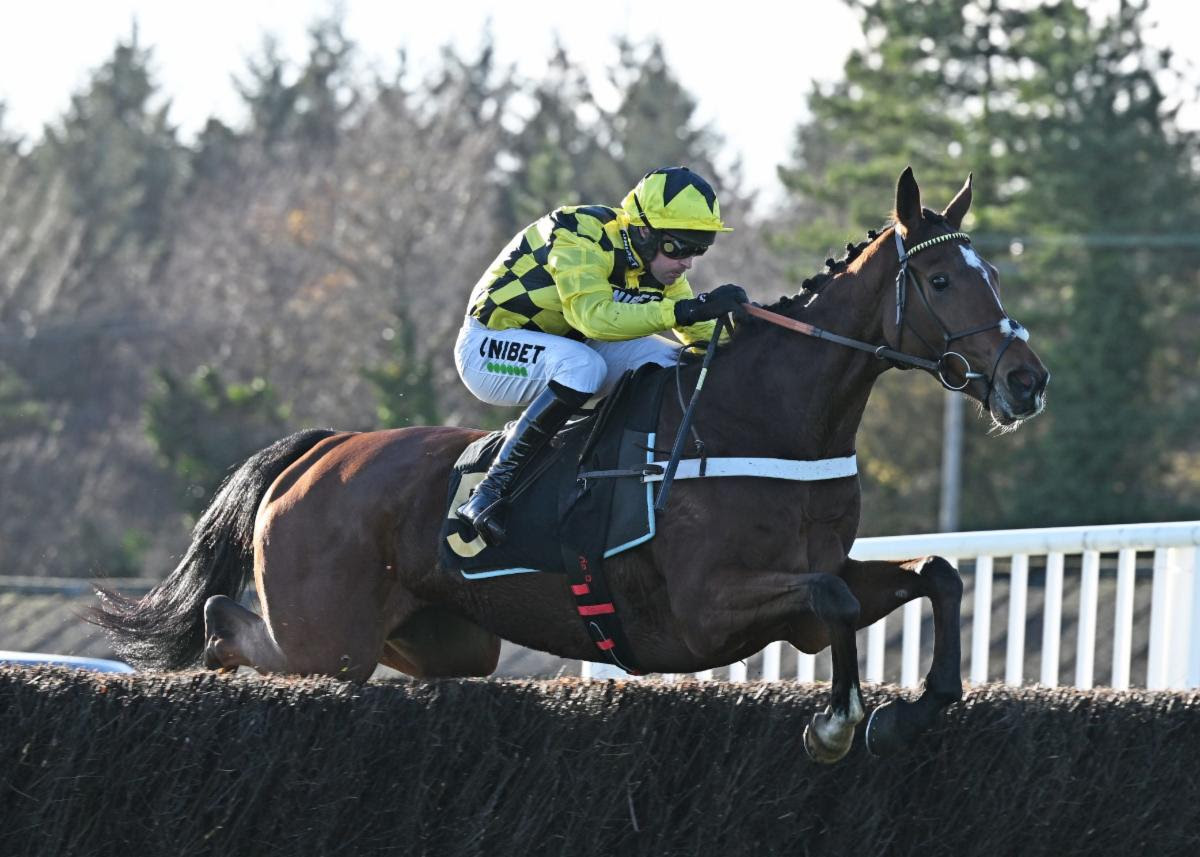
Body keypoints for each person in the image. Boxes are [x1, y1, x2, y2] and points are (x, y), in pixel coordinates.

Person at [454, 166, 748, 545]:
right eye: (680, 246)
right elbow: (591, 318)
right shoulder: (578, 232)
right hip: (489, 347)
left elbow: (702, 336)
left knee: (675, 365)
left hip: (570, 344)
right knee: (583, 366)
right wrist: (687, 310)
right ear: (644, 231)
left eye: (700, 247)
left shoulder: (657, 268)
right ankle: (490, 491)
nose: (688, 262)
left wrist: (751, 334)